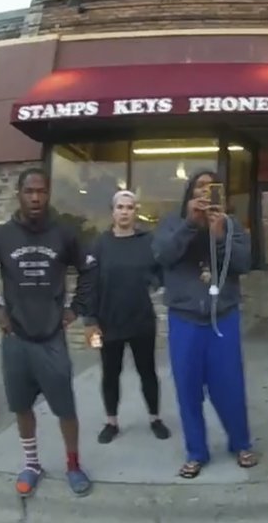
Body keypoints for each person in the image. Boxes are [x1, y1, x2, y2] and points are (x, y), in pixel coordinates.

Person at [0, 168, 94, 498]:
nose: (36, 198)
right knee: (21, 407)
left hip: (51, 338)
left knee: (65, 409)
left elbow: (88, 272)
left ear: (48, 194)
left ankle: (73, 464)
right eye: (29, 191)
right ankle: (31, 464)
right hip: (16, 340)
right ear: (19, 194)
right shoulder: (0, 235)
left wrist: (75, 310)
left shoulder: (64, 234)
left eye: (41, 191)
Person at [151, 170, 257, 479]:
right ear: (188, 193)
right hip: (185, 319)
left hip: (222, 317)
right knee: (188, 388)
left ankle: (240, 444)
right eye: (198, 187)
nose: (204, 193)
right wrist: (189, 225)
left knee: (230, 386)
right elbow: (163, 256)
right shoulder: (172, 223)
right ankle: (196, 452)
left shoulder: (231, 225)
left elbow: (243, 264)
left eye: (211, 188)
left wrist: (220, 233)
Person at [83, 190, 170, 444]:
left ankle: (155, 418)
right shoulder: (100, 244)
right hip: (107, 323)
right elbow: (89, 283)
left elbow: (162, 270)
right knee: (110, 374)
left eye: (129, 207)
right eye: (120, 207)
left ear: (135, 212)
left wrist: (153, 282)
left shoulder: (147, 241)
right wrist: (90, 321)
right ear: (113, 211)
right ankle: (111, 421)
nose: (124, 211)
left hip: (141, 320)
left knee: (148, 372)